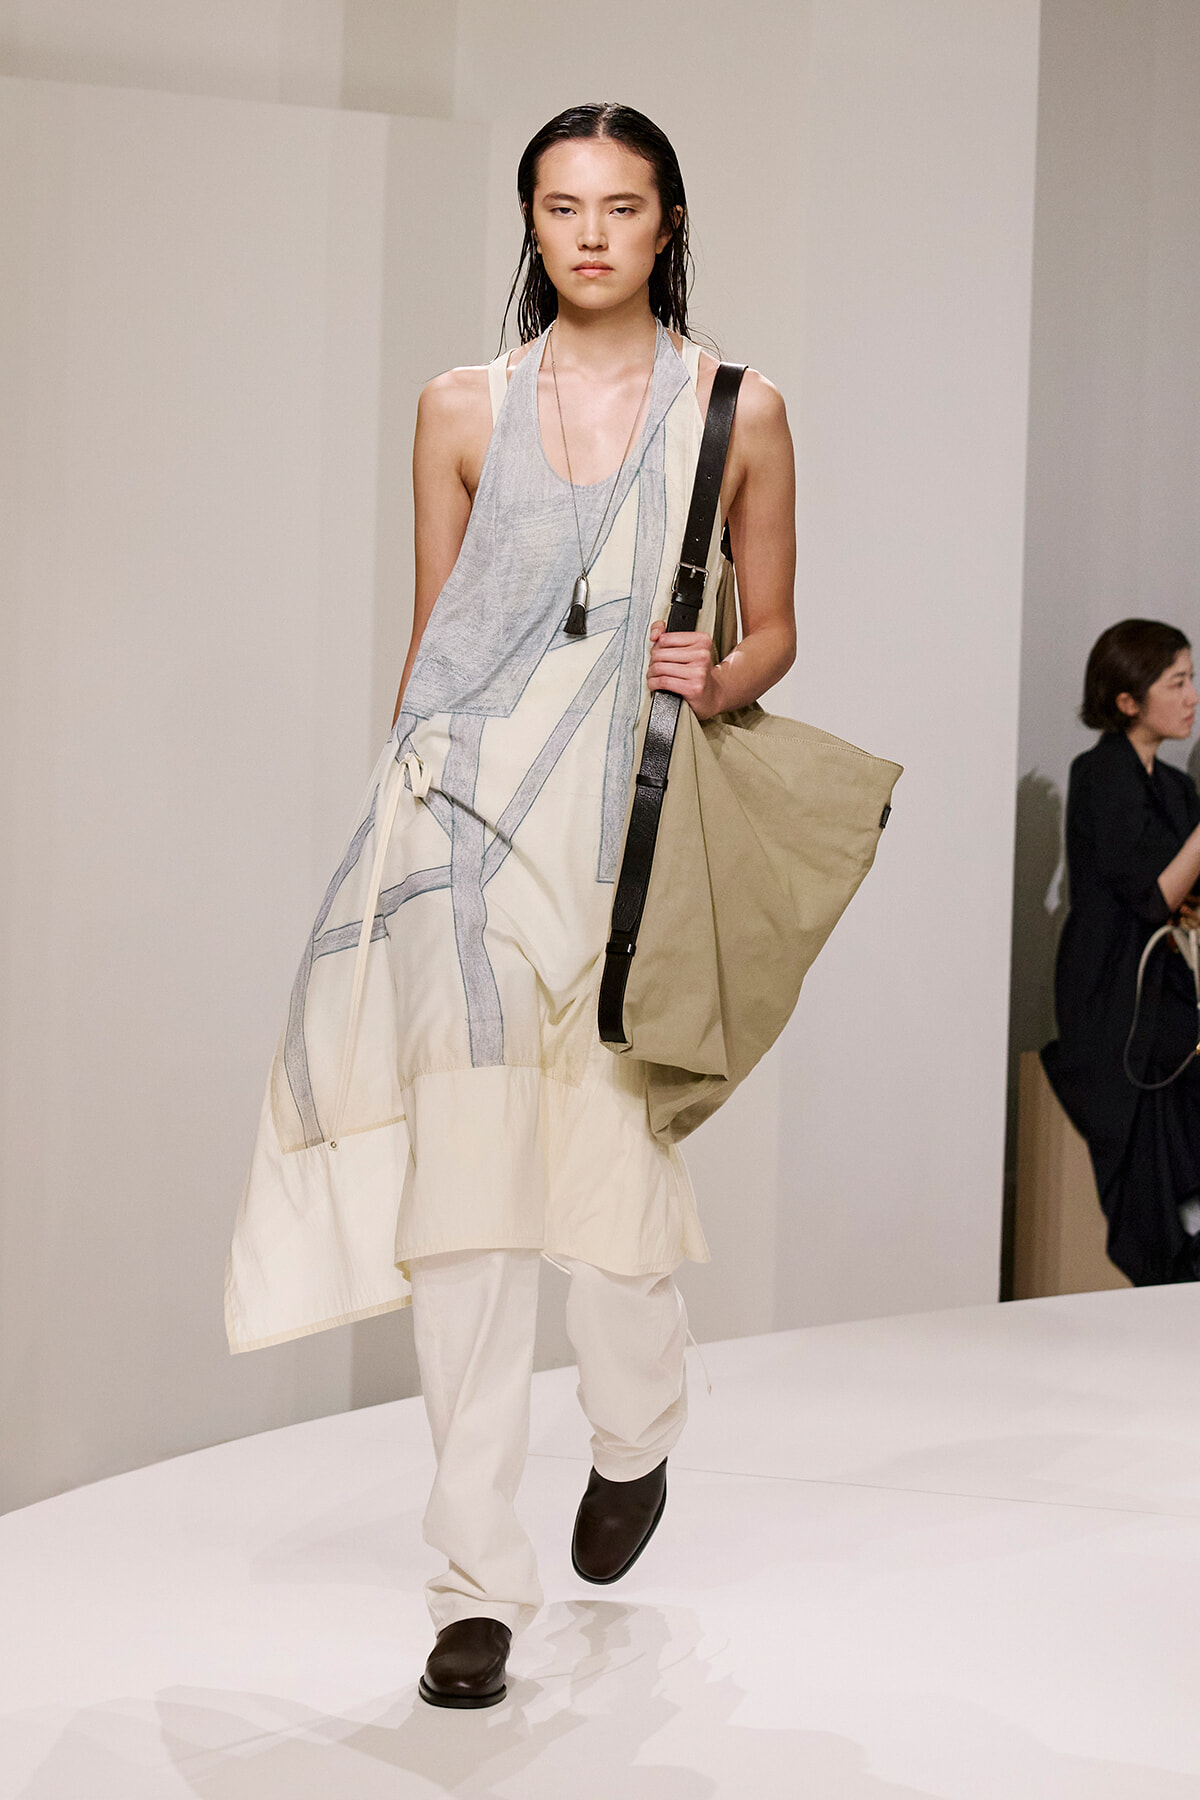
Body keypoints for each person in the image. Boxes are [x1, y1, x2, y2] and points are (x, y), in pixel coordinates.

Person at [225, 102, 796, 1708]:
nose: (593, 233)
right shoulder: (459, 406)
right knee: (470, 1224)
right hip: (461, 828)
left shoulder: (739, 408)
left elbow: (775, 632)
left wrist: (723, 663)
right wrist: (385, 817)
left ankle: (637, 1437)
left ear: (668, 221)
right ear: (531, 222)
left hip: (625, 839)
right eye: (563, 205)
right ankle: (474, 1587)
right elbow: (435, 629)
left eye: (622, 205)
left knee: (610, 1222)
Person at [1042, 619, 1200, 1287]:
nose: (1193, 696)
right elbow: (1150, 895)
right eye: (1178, 682)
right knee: (1146, 1179)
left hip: (1165, 993)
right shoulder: (1099, 771)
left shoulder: (1173, 787)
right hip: (1114, 999)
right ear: (1129, 699)